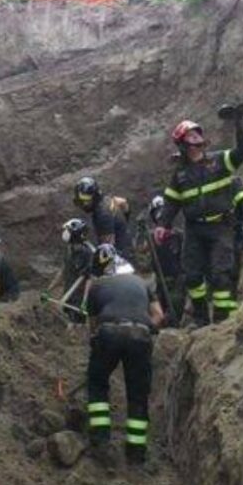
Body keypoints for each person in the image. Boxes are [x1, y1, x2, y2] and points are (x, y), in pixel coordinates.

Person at [155, 108, 243, 325]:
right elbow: (171, 202)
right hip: (194, 229)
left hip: (221, 227)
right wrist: (163, 224)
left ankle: (221, 320)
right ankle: (200, 318)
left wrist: (239, 122)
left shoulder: (219, 160)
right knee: (192, 276)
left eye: (197, 133)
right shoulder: (179, 174)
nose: (197, 137)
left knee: (220, 275)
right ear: (183, 143)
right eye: (191, 135)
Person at [83, 245, 163, 465]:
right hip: (141, 335)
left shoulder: (97, 286)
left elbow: (93, 325)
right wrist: (146, 330)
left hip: (109, 331)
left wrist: (96, 344)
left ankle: (101, 442)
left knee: (97, 383)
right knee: (138, 393)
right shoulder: (142, 282)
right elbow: (158, 315)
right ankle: (136, 453)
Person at [74, 176, 133, 260]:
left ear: (94, 196)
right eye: (81, 200)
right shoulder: (107, 200)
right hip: (126, 247)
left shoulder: (102, 215)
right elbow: (123, 203)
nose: (84, 204)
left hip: (121, 259)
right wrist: (125, 221)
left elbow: (108, 249)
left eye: (86, 200)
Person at [146, 195, 184, 326]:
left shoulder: (178, 236)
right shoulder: (150, 238)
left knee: (175, 310)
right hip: (159, 282)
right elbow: (143, 262)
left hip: (177, 281)